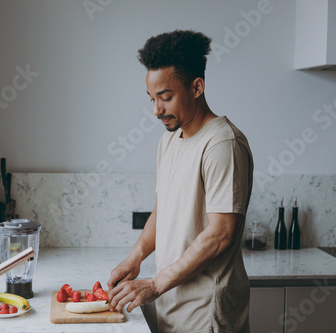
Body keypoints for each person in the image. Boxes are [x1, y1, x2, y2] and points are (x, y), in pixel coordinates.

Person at [107, 30, 254, 332]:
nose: (156, 110)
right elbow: (164, 210)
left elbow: (221, 234)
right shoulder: (170, 140)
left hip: (207, 315)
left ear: (197, 87)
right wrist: (134, 259)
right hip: (171, 308)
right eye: (152, 98)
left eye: (166, 97)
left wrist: (155, 284)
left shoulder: (222, 143)